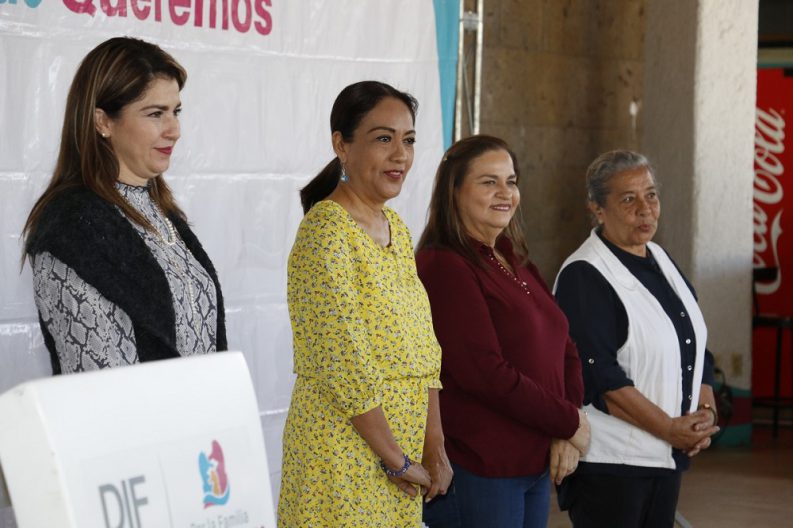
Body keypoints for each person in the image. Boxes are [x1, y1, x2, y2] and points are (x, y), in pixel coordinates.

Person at [278, 80, 452, 527]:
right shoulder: (325, 233)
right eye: (383, 139)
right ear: (342, 145)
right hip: (343, 456)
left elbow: (424, 350)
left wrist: (434, 445)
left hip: (399, 459)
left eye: (408, 140)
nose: (400, 155)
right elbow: (344, 364)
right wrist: (395, 459)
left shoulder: (397, 228)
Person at [22, 37, 226, 374]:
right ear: (102, 121)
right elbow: (97, 380)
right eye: (155, 113)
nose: (174, 130)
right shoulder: (71, 226)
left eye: (175, 111)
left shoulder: (162, 212)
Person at [415, 135, 590, 528]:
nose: (505, 193)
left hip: (533, 463)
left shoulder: (514, 259)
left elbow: (565, 346)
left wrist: (568, 425)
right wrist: (568, 422)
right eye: (488, 182)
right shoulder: (444, 265)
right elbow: (484, 372)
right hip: (481, 468)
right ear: (454, 191)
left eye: (511, 181)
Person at [553, 150, 720, 528]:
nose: (645, 209)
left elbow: (694, 344)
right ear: (597, 208)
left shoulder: (660, 258)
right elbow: (600, 376)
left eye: (651, 195)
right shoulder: (584, 274)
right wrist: (670, 429)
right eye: (628, 199)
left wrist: (704, 413)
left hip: (664, 458)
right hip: (612, 465)